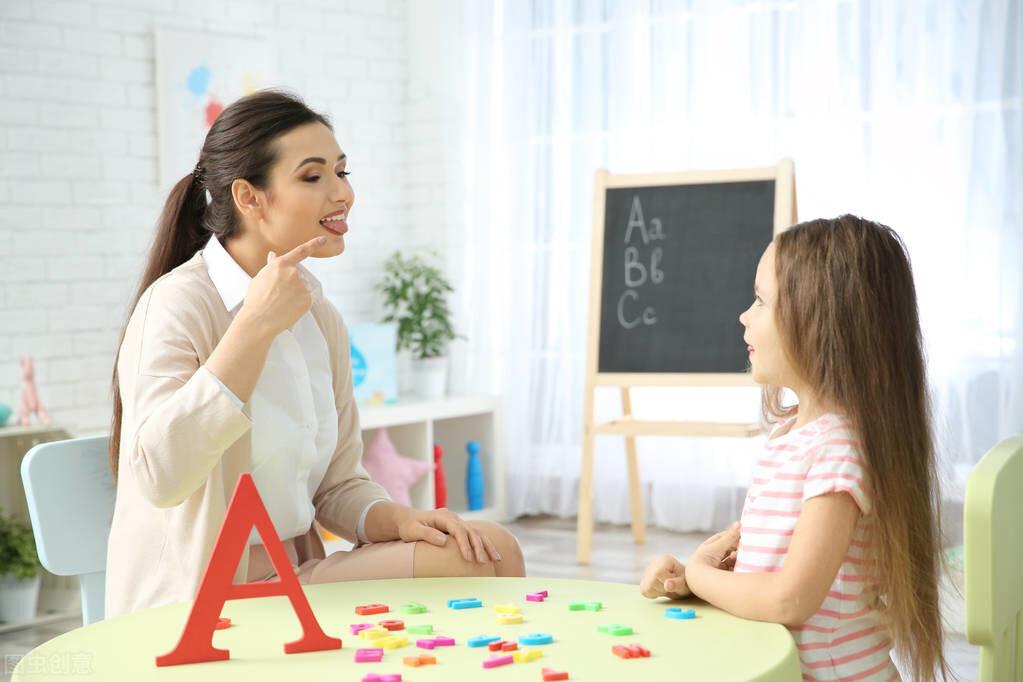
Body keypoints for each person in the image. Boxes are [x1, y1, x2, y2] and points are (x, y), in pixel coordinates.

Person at [106, 90, 524, 619]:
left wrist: (396, 519)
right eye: (312, 177)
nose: (341, 194)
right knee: (485, 561)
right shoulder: (177, 305)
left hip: (296, 576)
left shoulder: (317, 312)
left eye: (342, 173)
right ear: (249, 197)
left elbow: (337, 483)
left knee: (487, 549)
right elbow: (160, 476)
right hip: (200, 597)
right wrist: (253, 329)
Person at [640, 216, 948, 682]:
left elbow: (791, 599)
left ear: (821, 322)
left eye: (761, 301)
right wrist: (694, 582)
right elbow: (771, 575)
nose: (744, 315)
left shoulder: (838, 449)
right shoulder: (792, 435)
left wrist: (703, 574)